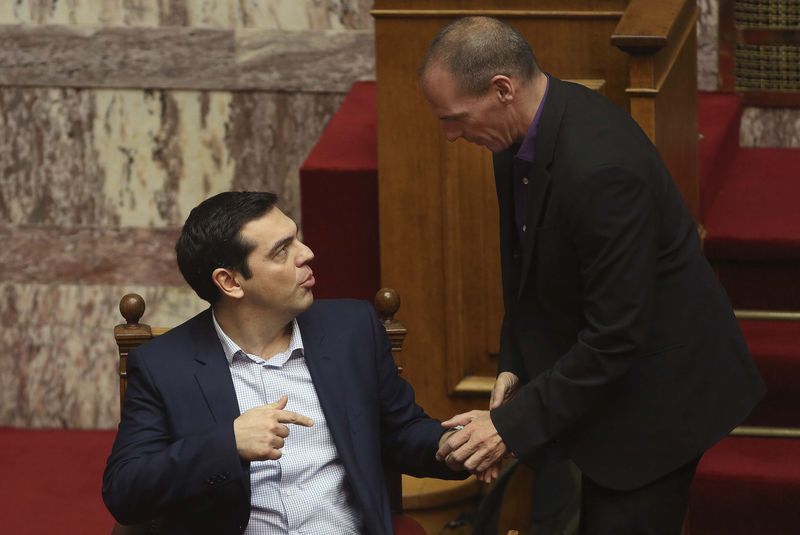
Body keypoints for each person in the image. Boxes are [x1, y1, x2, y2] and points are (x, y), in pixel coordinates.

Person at [419, 16, 765, 534]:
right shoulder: (515, 140)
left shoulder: (602, 170)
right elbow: (523, 273)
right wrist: (514, 366)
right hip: (600, 381)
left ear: (502, 90)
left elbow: (617, 335)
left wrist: (507, 429)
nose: (450, 135)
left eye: (455, 118)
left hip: (659, 396)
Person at [103, 191, 463, 535]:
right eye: (281, 251)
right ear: (229, 281)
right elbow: (126, 491)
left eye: (297, 239)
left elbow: (401, 431)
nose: (306, 254)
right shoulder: (165, 365)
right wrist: (228, 444)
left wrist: (456, 443)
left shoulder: (350, 331)